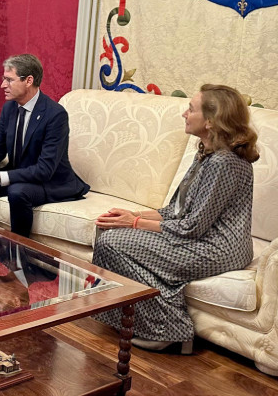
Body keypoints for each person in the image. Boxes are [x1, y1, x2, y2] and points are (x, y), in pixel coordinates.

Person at [92, 84, 260, 353]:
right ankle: (152, 319)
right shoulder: (206, 153)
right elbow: (175, 211)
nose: (184, 113)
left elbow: (191, 227)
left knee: (111, 242)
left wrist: (133, 224)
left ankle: (170, 328)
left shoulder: (224, 162)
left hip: (217, 250)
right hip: (199, 238)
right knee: (107, 230)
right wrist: (131, 215)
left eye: (190, 109)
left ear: (210, 120)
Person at [0, 54, 89, 237]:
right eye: (4, 79)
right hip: (20, 175)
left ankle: (18, 253)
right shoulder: (9, 108)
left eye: (9, 80)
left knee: (18, 192)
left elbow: (45, 169)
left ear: (28, 81)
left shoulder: (55, 115)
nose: (3, 85)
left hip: (50, 182)